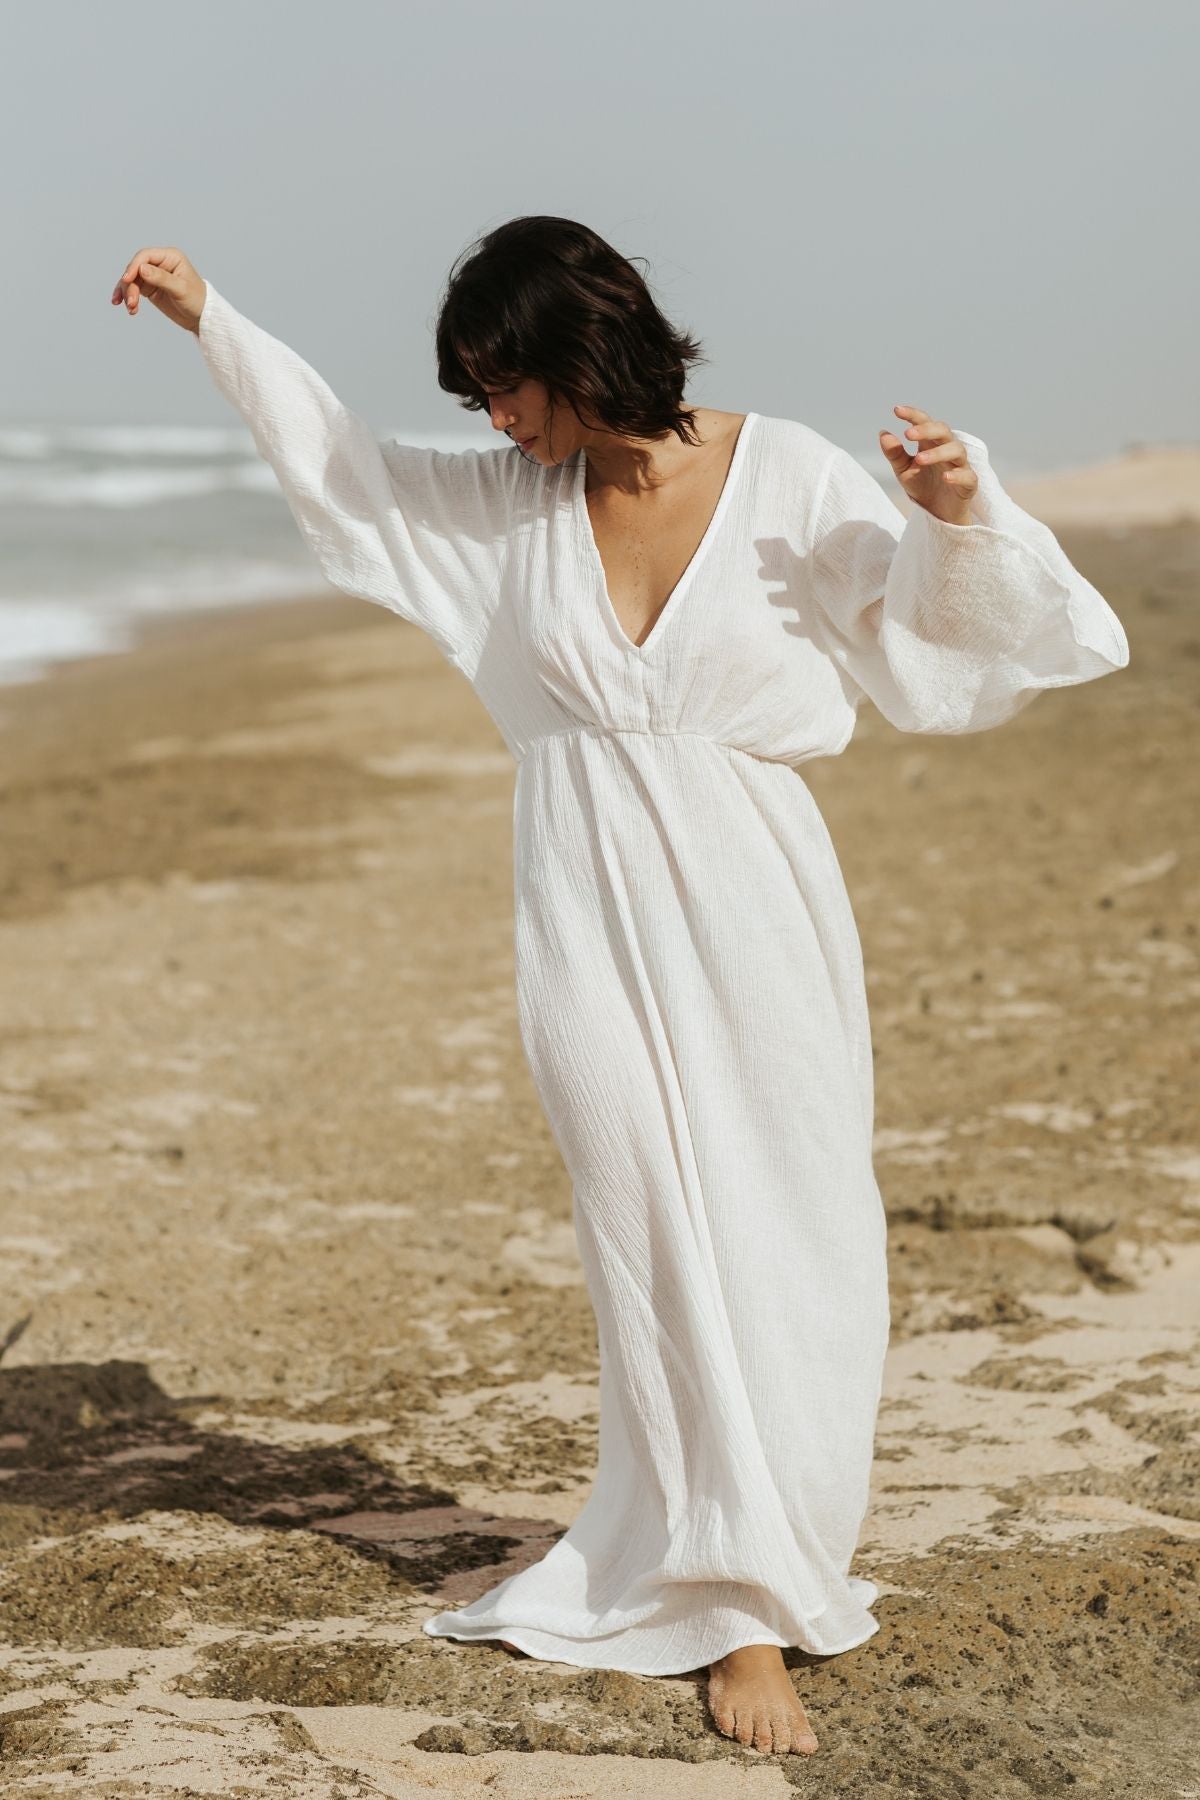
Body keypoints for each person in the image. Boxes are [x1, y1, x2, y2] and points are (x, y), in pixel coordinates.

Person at [111, 217, 1129, 1758]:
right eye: (478, 397)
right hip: (580, 904)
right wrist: (211, 320)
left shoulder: (783, 474)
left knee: (794, 1232)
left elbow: (933, 648)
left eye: (508, 385)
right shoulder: (503, 504)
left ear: (583, 353)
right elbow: (344, 466)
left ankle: (767, 1561)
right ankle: (724, 1605)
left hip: (758, 900)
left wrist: (960, 508)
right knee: (650, 1227)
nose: (496, 420)